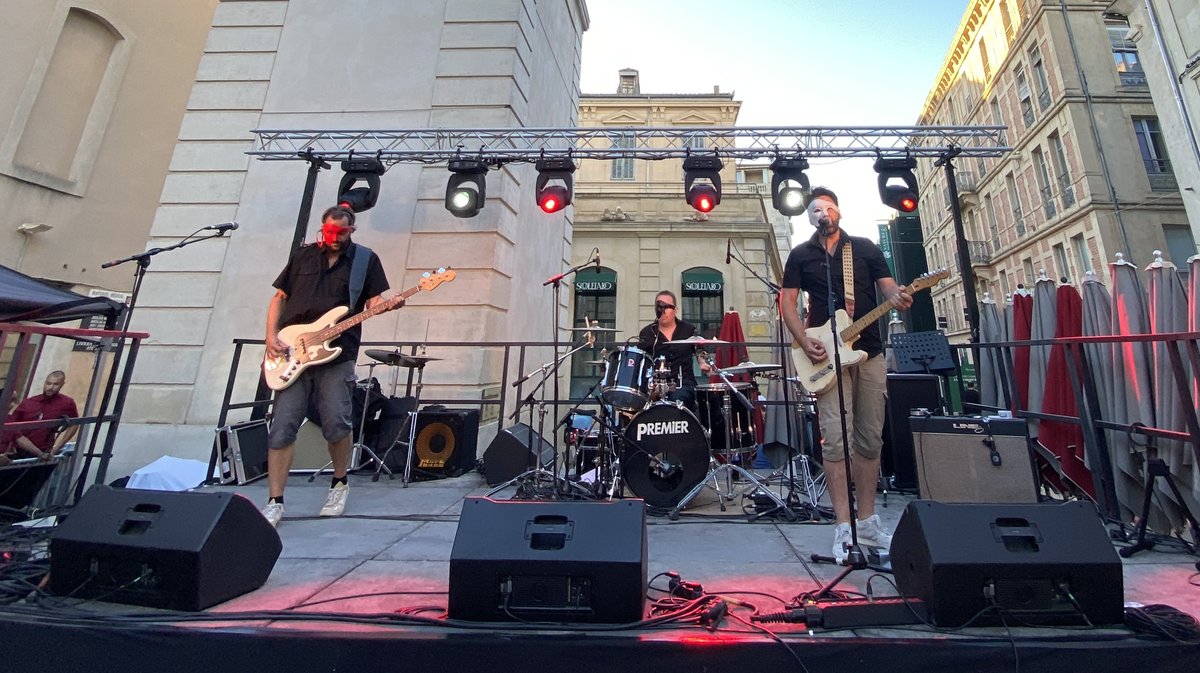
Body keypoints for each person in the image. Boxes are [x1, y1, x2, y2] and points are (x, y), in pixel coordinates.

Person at [780, 187, 912, 563]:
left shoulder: (866, 248)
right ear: (810, 217)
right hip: (825, 355)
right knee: (836, 440)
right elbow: (787, 303)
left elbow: (888, 289)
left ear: (839, 212)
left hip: (868, 352)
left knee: (870, 439)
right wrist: (804, 341)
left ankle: (867, 522)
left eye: (829, 207)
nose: (824, 213)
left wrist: (900, 295)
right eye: (817, 209)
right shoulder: (801, 255)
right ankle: (843, 526)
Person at [261, 206, 393, 527]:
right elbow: (280, 297)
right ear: (323, 228)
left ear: (352, 230)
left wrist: (386, 304)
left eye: (342, 234)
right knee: (282, 426)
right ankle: (275, 501)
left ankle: (339, 483)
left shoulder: (365, 260)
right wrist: (269, 337)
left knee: (336, 420)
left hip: (337, 354)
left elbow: (373, 301)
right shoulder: (303, 257)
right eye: (330, 233)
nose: (335, 239)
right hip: (292, 350)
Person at [637, 290, 711, 412]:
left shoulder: (688, 330)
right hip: (656, 387)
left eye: (667, 307)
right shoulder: (647, 333)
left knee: (676, 402)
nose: (663, 310)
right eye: (659, 307)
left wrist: (703, 363)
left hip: (683, 385)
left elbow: (700, 351)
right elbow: (640, 361)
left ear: (675, 309)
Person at [1, 370, 79, 464]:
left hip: (41, 450)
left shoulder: (66, 403)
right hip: (18, 452)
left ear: (62, 384)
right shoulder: (28, 403)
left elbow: (18, 436)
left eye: (55, 384)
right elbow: (16, 432)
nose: (51, 387)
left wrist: (54, 449)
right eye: (48, 383)